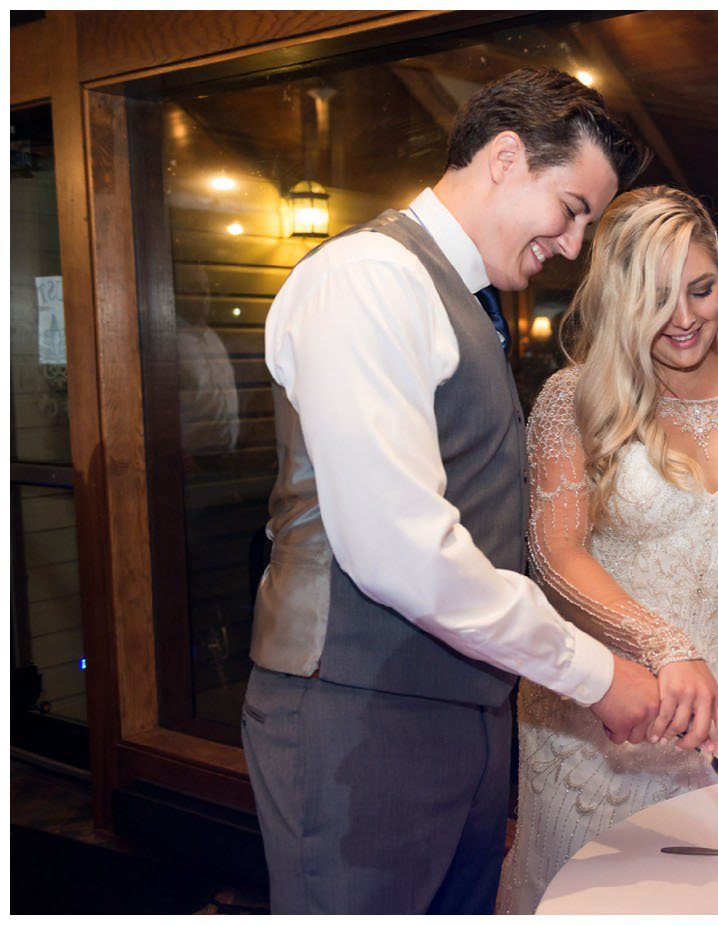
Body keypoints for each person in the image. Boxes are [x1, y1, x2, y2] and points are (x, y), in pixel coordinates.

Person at [241, 68, 659, 914]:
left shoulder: (464, 298)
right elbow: (400, 550)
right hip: (356, 718)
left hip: (457, 716)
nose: (574, 245)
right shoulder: (368, 277)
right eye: (572, 208)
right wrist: (594, 672)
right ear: (506, 157)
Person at [496, 187, 718, 911]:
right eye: (660, 297)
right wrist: (662, 644)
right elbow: (555, 552)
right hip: (599, 720)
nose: (686, 317)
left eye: (701, 289)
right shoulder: (574, 400)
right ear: (622, 298)